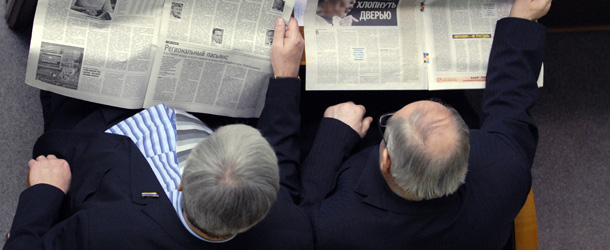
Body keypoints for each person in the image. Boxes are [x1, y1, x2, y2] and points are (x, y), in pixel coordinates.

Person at [5, 17, 310, 250]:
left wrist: (45, 193)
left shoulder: (104, 231)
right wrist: (286, 76)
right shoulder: (285, 224)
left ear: (180, 182)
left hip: (102, 127)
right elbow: (280, 160)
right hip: (191, 105)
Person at [299, 0, 552, 249]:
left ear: (386, 160)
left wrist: (333, 135)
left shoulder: (335, 226)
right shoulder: (506, 170)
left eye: (390, 120)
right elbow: (510, 106)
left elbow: (303, 216)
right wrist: (521, 20)